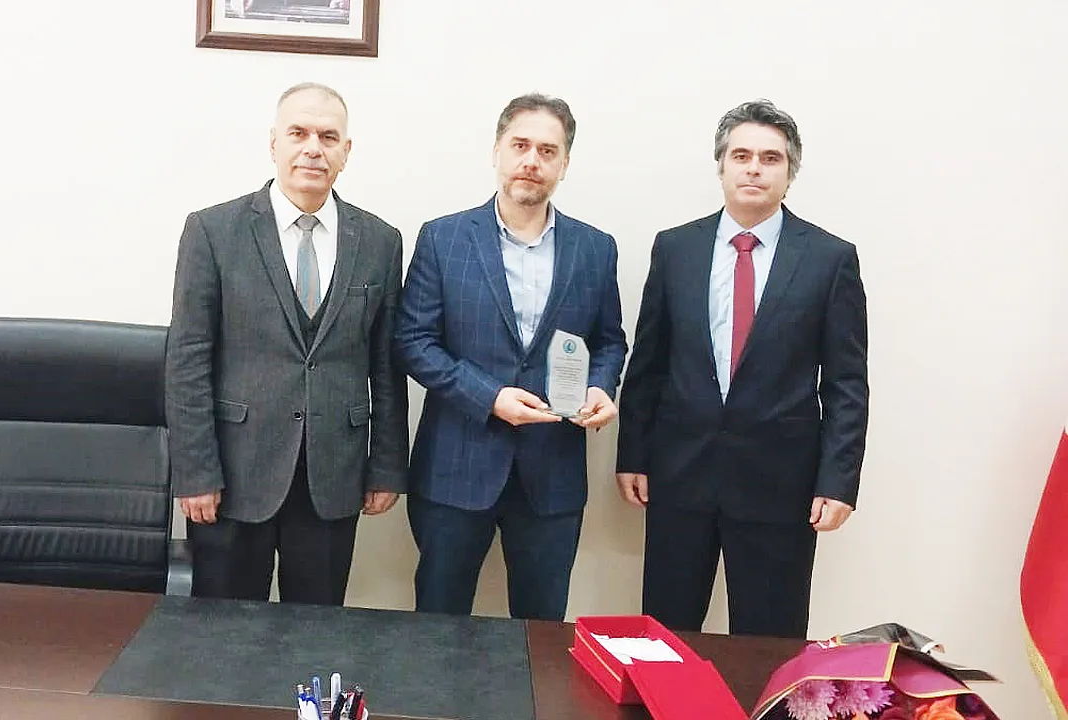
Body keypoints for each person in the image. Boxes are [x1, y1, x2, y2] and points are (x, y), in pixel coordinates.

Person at [615, 99, 869, 638]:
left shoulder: (830, 259)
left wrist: (838, 480)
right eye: (742, 155)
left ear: (789, 172)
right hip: (679, 475)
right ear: (722, 166)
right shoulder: (676, 248)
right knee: (666, 637)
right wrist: (632, 453)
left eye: (770, 158)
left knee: (769, 642)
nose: (754, 168)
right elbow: (649, 363)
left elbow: (846, 383)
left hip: (781, 484)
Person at [165, 82, 409, 605]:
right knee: (225, 633)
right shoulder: (213, 231)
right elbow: (187, 360)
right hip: (233, 476)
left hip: (333, 475)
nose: (313, 149)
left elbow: (386, 365)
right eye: (298, 133)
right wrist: (195, 471)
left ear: (346, 151)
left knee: (316, 633)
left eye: (328, 137)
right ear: (273, 143)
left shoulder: (380, 241)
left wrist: (387, 465)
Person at [394, 93, 628, 621]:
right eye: (520, 145)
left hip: (553, 473)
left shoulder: (596, 248)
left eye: (548, 150)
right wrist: (490, 397)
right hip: (455, 467)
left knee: (541, 632)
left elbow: (609, 341)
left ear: (564, 164)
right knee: (438, 625)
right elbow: (413, 341)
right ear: (497, 151)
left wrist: (600, 386)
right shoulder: (444, 238)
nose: (532, 160)